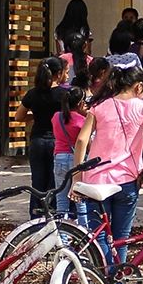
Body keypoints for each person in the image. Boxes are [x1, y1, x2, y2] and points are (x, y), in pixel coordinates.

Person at [72, 64, 143, 264]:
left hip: (96, 181)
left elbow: (81, 140)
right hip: (128, 180)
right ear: (139, 87)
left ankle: (103, 280)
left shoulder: (99, 106)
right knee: (121, 237)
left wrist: (77, 176)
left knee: (98, 235)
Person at [20, 57, 67, 219]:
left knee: (38, 181)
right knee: (55, 182)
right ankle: (53, 215)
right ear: (58, 74)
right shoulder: (63, 94)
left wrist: (35, 115)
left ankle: (35, 216)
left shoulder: (32, 93)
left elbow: (19, 116)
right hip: (57, 141)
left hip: (37, 140)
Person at [50, 87, 86, 219]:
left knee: (61, 199)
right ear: (80, 103)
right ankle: (84, 231)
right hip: (76, 159)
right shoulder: (82, 120)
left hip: (59, 157)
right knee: (79, 198)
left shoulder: (56, 117)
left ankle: (62, 236)